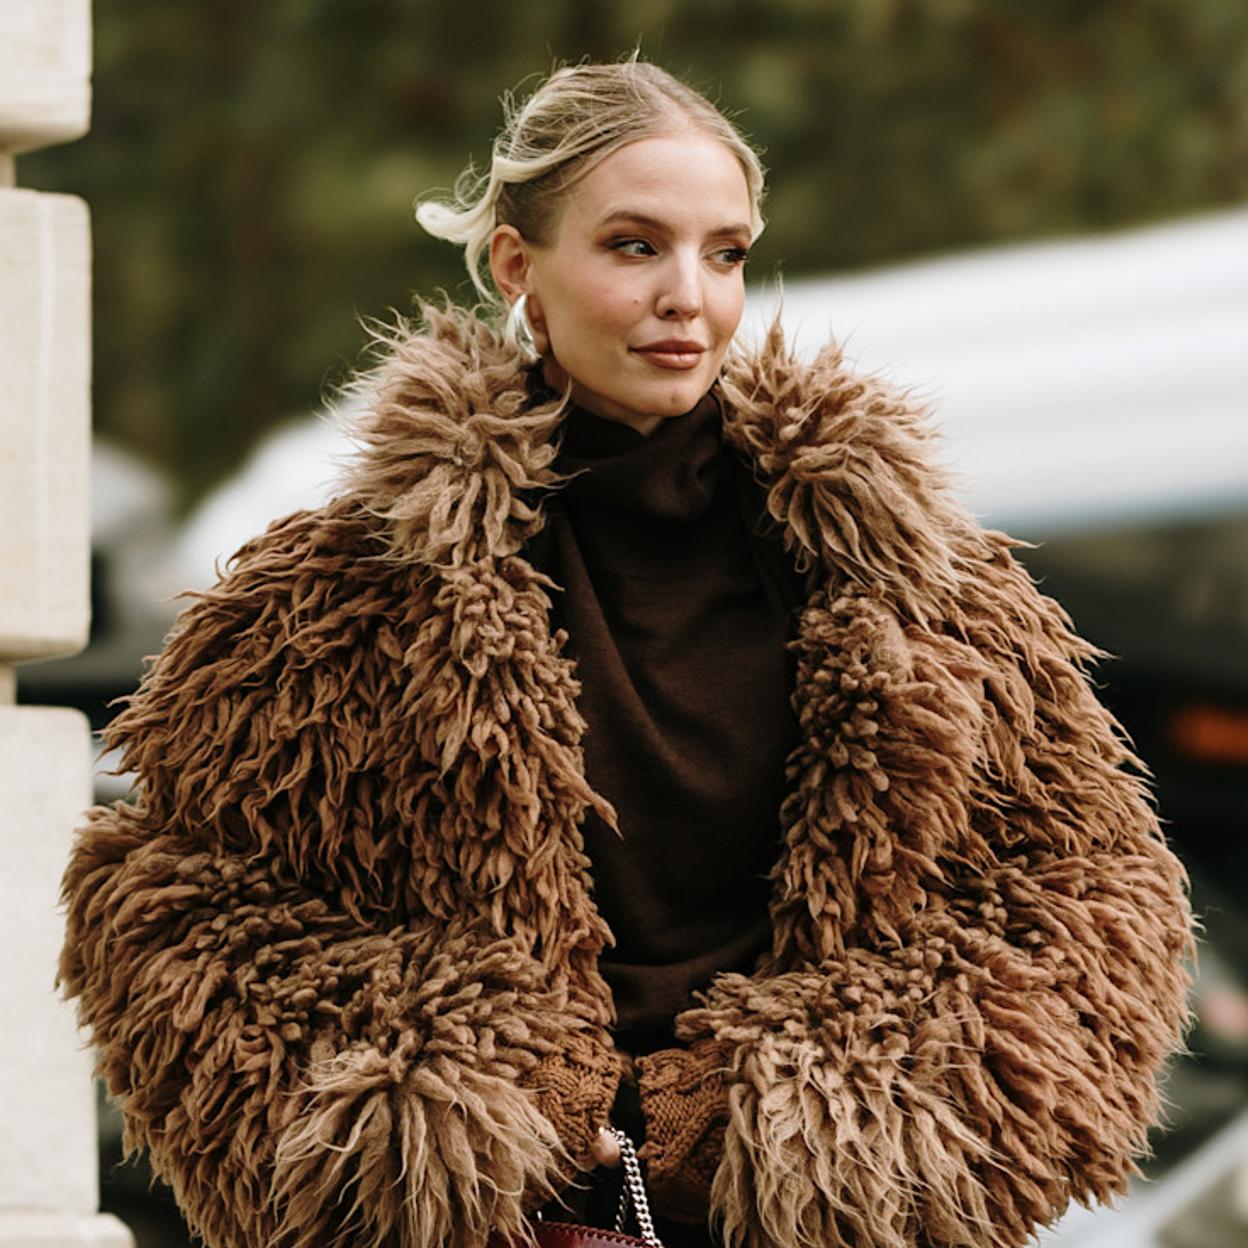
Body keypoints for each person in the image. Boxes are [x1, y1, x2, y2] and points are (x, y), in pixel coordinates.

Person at [58, 56, 1194, 1248]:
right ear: (519, 267)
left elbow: (1092, 903)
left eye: (726, 252)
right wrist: (513, 1111)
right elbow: (172, 912)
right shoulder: (340, 595)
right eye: (634, 246)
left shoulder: (917, 584)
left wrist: (758, 1116)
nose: (689, 297)